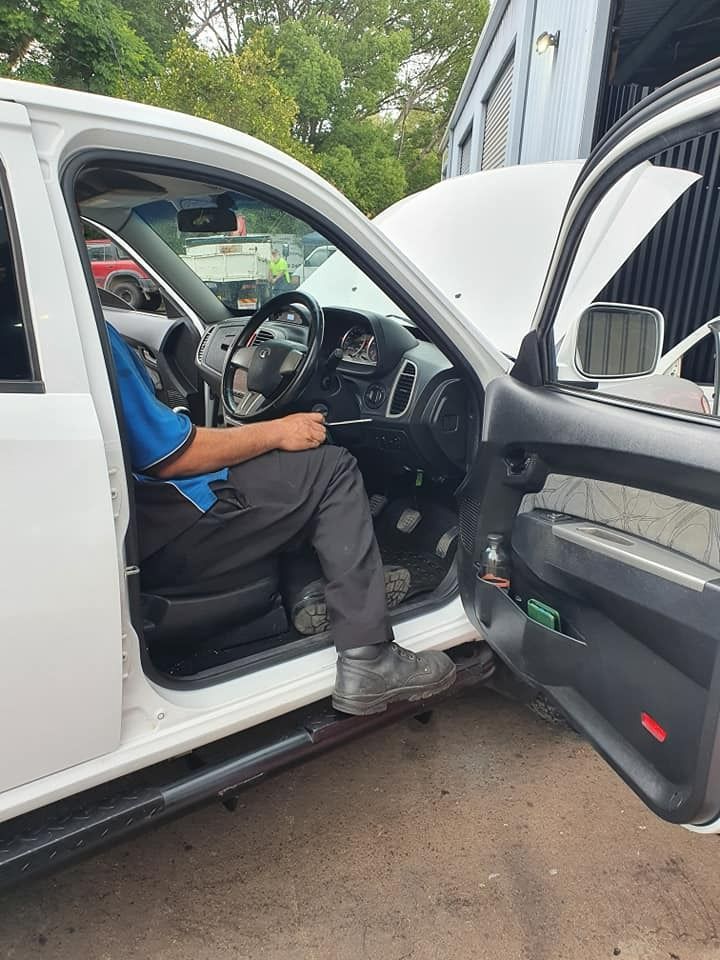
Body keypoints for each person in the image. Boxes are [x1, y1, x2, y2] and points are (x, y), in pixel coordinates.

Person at [107, 323, 456, 715]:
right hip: (175, 516)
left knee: (285, 484)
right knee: (330, 469)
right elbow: (172, 455)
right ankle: (368, 657)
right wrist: (276, 431)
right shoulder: (93, 330)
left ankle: (308, 588)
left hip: (139, 527)